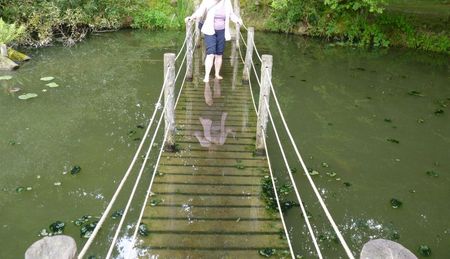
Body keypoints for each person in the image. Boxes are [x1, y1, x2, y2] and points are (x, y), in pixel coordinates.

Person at [185, 0, 243, 83]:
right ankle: (206, 76)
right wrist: (191, 17)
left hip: (222, 31)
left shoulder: (227, 2)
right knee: (211, 53)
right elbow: (200, 12)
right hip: (209, 30)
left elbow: (231, 14)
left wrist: (237, 20)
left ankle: (217, 74)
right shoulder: (207, 1)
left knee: (219, 54)